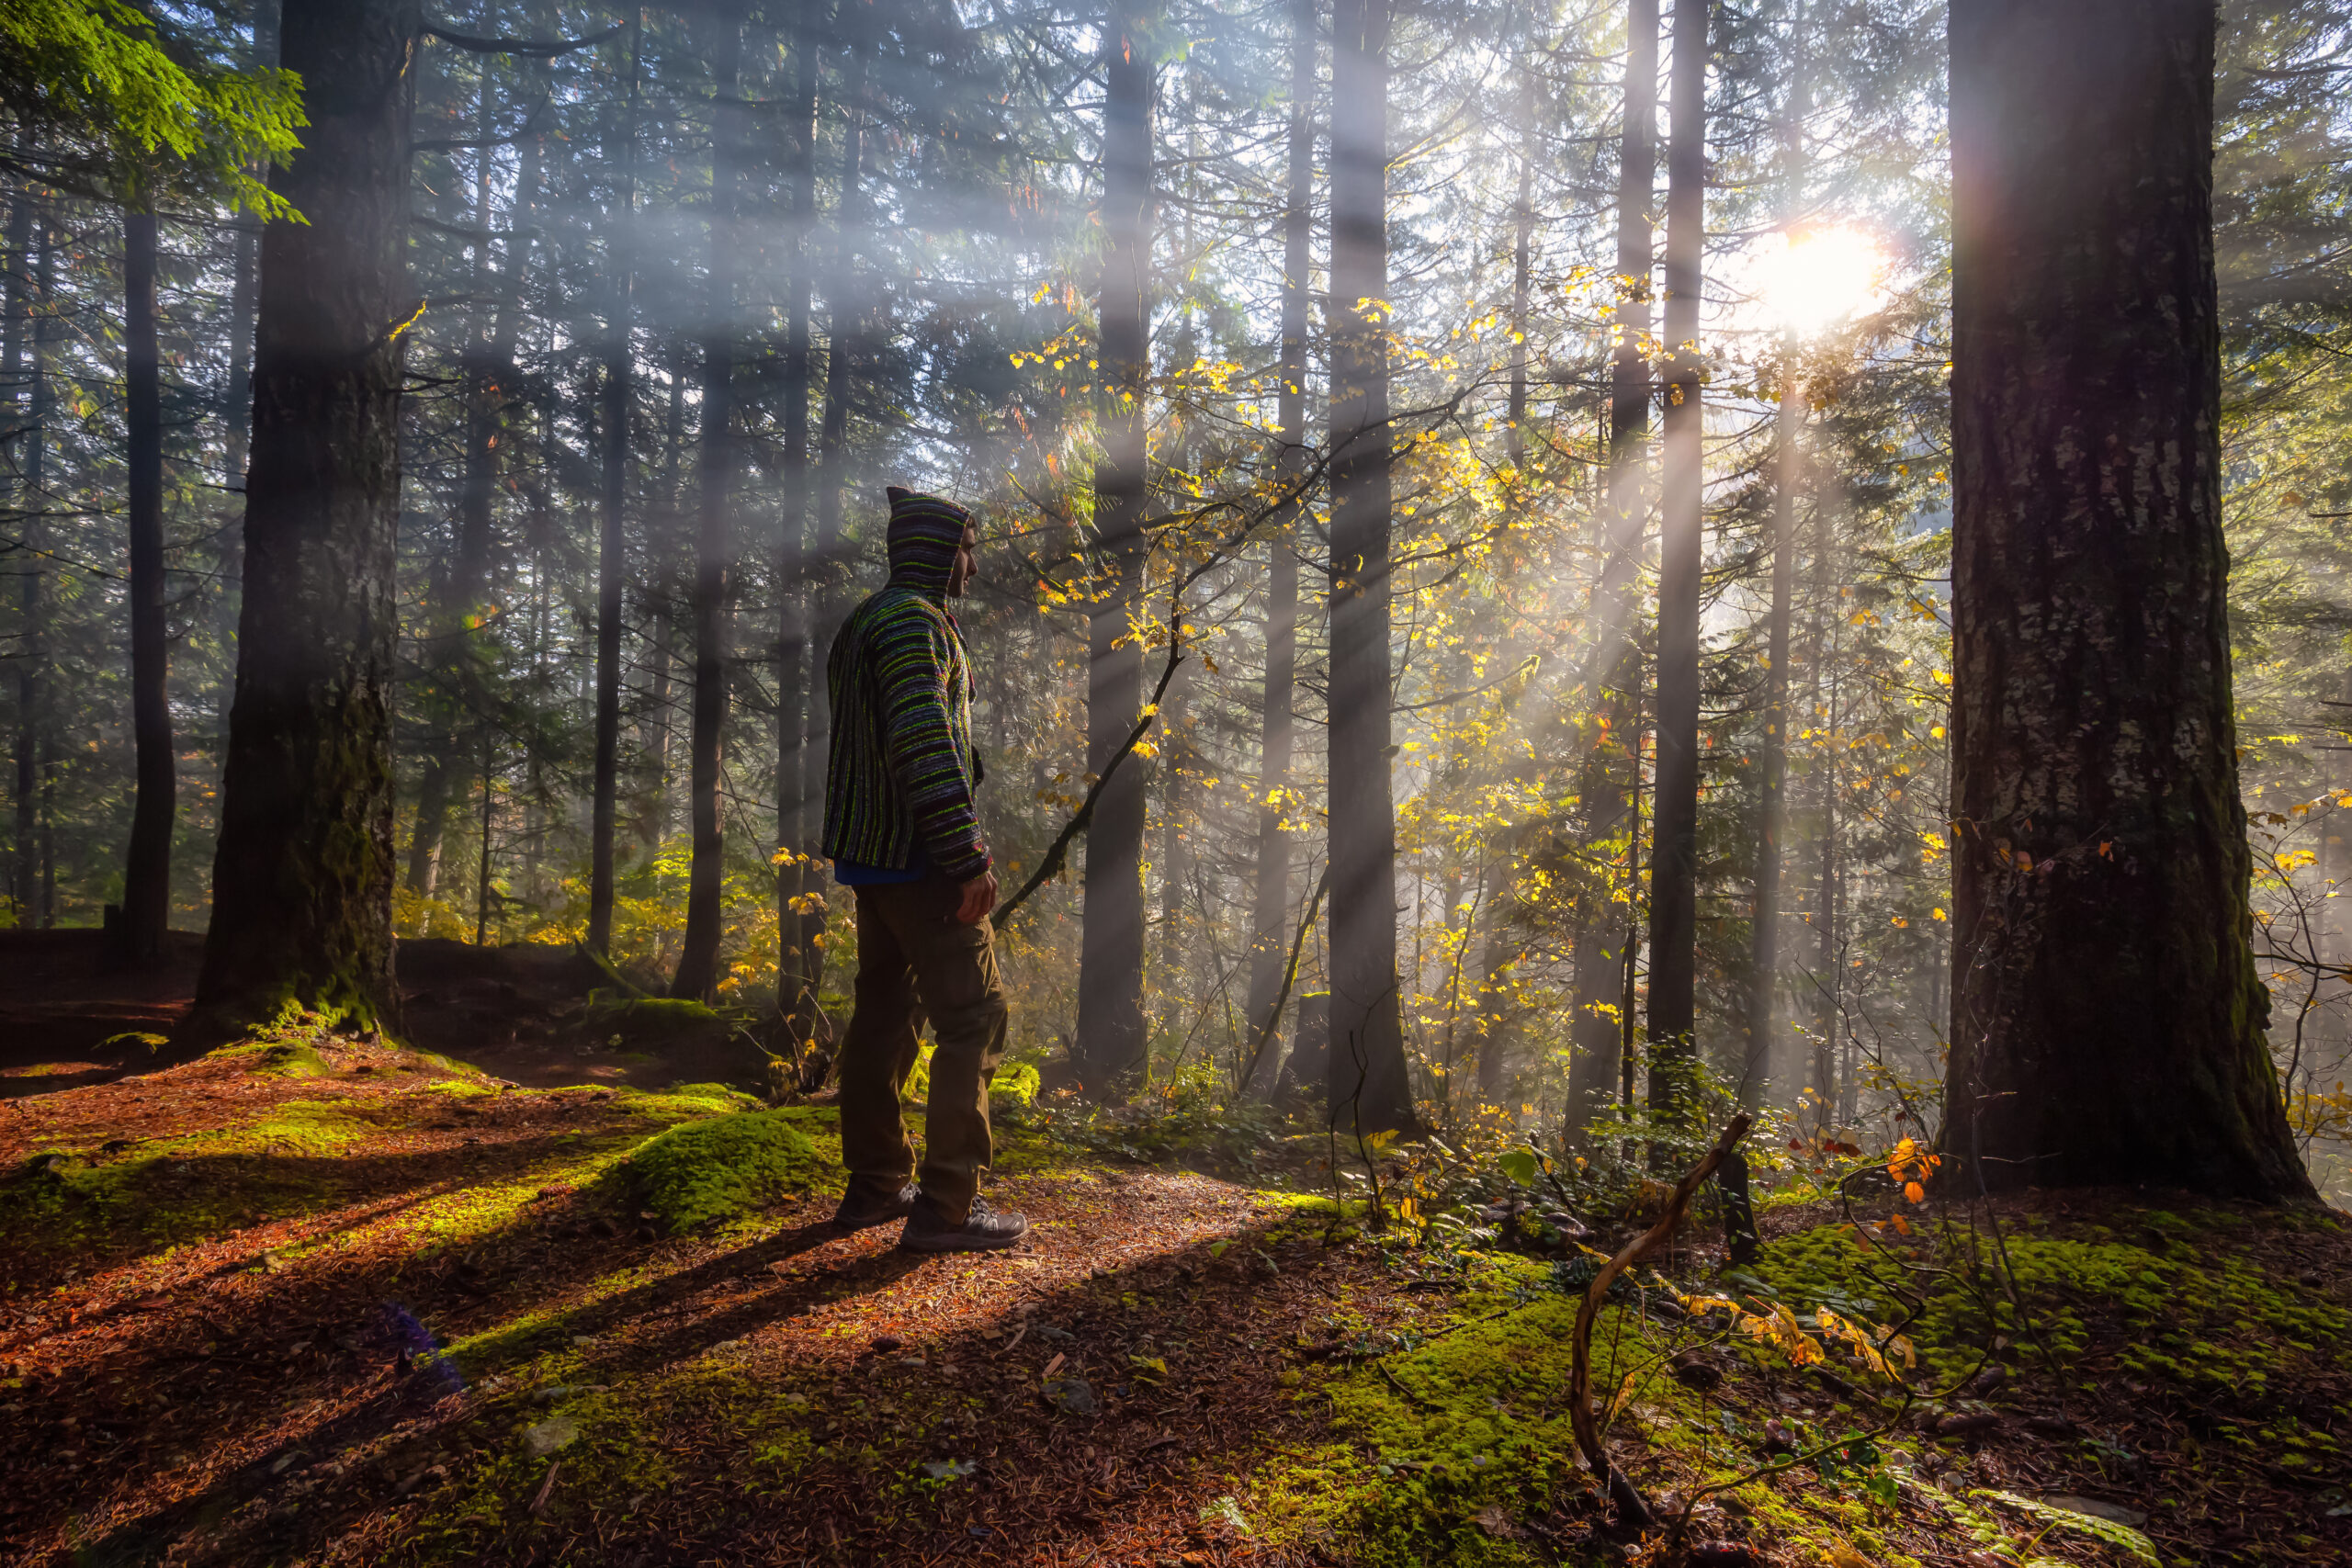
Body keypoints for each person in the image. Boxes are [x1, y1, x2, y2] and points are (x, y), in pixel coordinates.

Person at [820, 487, 1029, 1252]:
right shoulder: (913, 623)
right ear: (937, 552)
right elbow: (921, 742)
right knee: (973, 1016)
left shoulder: (866, 621)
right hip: (920, 861)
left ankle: (875, 1185)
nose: (971, 566)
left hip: (873, 867)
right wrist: (965, 854)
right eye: (966, 549)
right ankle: (945, 1204)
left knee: (883, 1013)